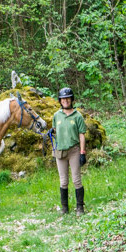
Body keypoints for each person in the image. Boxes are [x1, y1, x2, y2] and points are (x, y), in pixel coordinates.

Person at [52, 87, 87, 216]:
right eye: (63, 99)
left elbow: (82, 134)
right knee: (63, 181)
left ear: (72, 99)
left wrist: (82, 152)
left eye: (68, 98)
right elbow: (56, 130)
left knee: (76, 179)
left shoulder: (77, 116)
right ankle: (64, 207)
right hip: (60, 152)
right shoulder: (56, 115)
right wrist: (52, 133)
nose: (65, 101)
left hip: (74, 150)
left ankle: (80, 207)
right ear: (60, 101)